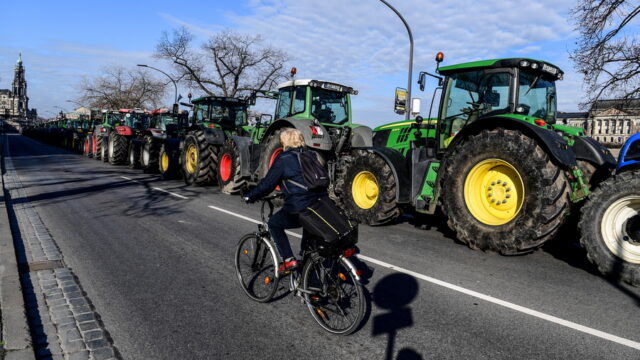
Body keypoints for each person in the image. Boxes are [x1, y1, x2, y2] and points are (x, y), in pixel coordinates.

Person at [244, 128, 327, 273]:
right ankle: (311, 287)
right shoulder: (312, 155)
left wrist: (250, 196)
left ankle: (288, 260)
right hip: (320, 206)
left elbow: (268, 184)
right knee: (308, 247)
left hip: (300, 207)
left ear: (285, 142)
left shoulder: (284, 158)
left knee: (274, 224)